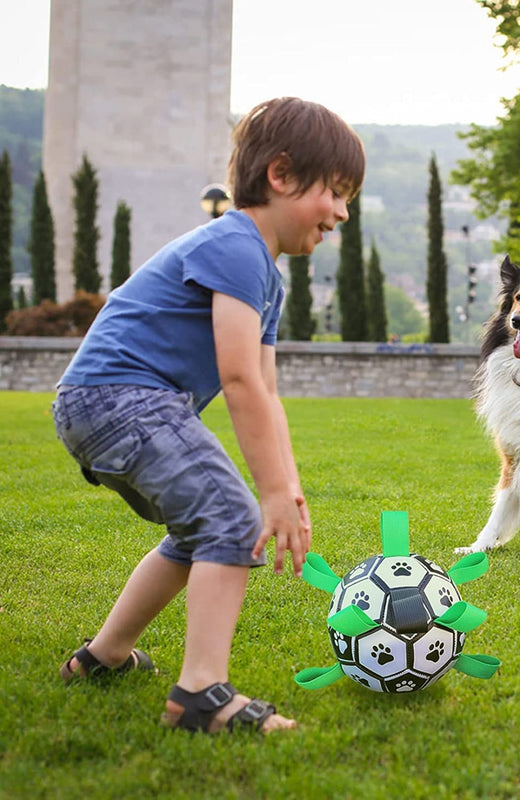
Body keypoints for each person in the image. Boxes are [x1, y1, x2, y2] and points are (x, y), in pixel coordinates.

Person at [52, 97, 366, 734]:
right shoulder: (236, 246)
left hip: (110, 403)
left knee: (202, 529)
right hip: (120, 397)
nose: (341, 212)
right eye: (333, 192)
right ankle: (202, 697)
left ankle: (102, 656)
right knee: (231, 520)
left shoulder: (265, 275)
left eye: (348, 198)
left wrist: (289, 488)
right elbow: (239, 377)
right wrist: (267, 493)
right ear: (280, 176)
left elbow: (267, 391)